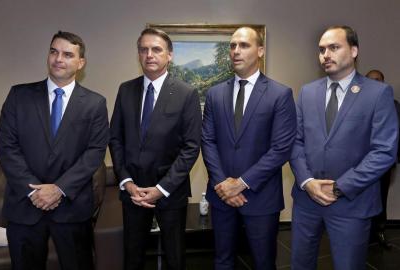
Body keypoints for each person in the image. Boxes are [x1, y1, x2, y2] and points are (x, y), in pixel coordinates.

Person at [0, 31, 109, 270]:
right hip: (24, 207)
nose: (59, 59)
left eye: (68, 54)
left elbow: (94, 152)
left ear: (80, 63)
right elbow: (6, 147)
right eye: (54, 51)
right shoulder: (19, 96)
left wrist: (59, 189)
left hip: (72, 209)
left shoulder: (95, 103)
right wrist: (33, 192)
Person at [290, 26, 398, 270]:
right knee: (299, 264)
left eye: (334, 47)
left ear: (354, 50)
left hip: (352, 202)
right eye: (321, 50)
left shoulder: (378, 93)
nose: (325, 54)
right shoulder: (307, 92)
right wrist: (307, 181)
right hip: (307, 201)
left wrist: (339, 187)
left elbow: (384, 152)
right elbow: (295, 142)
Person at [201, 26, 297, 270]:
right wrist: (223, 184)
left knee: (263, 263)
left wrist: (241, 183)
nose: (236, 51)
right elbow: (208, 141)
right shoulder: (214, 94)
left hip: (260, 196)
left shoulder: (280, 94)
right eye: (232, 46)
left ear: (260, 50)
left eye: (243, 45)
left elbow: (281, 149)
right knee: (222, 260)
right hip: (221, 194)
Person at [109, 28, 201, 270]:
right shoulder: (125, 90)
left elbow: (191, 147)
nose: (149, 54)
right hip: (133, 192)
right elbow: (115, 139)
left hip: (170, 191)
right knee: (133, 256)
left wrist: (162, 188)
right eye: (143, 49)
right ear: (138, 54)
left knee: (175, 257)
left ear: (169, 55)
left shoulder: (186, 93)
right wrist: (126, 181)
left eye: (156, 49)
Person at [366, 69, 400, 249]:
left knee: (381, 197)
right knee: (363, 198)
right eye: (370, 80)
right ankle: (364, 234)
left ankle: (380, 231)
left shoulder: (394, 105)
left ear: (384, 82)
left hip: (385, 164)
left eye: (378, 80)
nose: (375, 83)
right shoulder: (358, 104)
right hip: (361, 164)